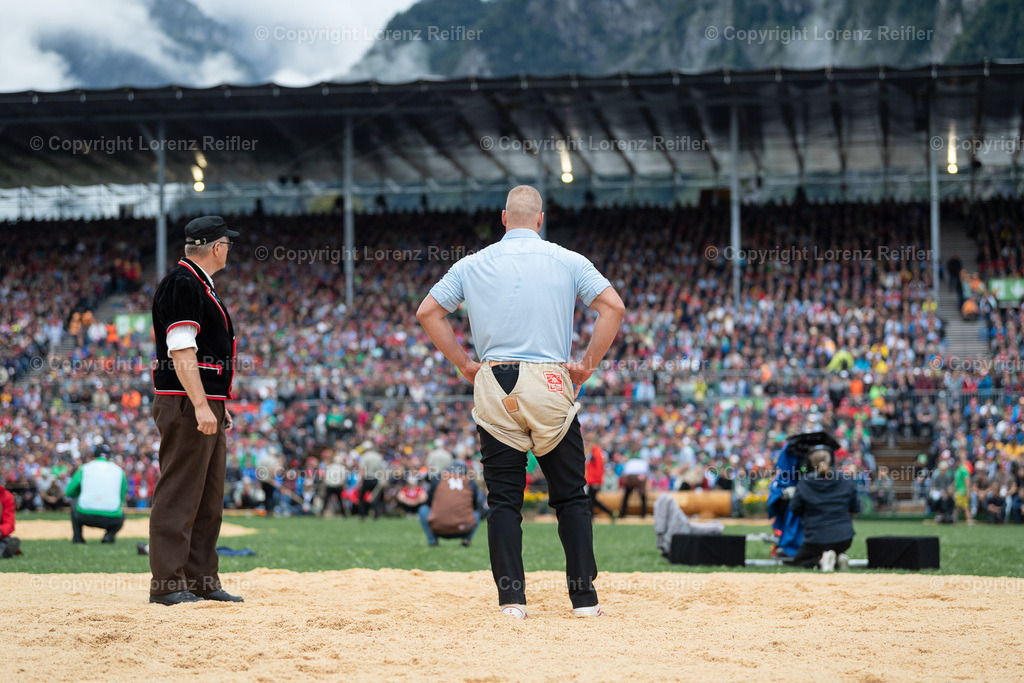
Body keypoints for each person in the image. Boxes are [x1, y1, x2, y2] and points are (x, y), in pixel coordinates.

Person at [417, 185, 625, 619]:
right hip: (550, 378)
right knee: (570, 497)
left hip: (494, 378)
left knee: (504, 501)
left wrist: (463, 364)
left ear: (504, 219)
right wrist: (586, 365)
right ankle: (584, 599)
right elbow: (613, 308)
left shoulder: (472, 264)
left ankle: (512, 600)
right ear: (541, 219)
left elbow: (428, 312)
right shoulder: (568, 260)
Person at [149, 216, 243, 606]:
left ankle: (202, 579)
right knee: (180, 492)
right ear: (216, 247)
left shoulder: (196, 283)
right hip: (187, 401)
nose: (230, 249)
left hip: (203, 401)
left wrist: (216, 404)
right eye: (227, 243)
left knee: (207, 495)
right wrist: (202, 404)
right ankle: (169, 584)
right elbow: (181, 349)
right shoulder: (184, 283)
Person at [788, 449, 860, 572]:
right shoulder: (846, 479)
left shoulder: (805, 481)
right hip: (844, 537)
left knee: (798, 561)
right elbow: (856, 508)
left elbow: (795, 508)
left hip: (816, 538)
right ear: (830, 460)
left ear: (812, 463)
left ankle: (822, 559)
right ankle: (838, 557)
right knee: (834, 546)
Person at [65, 444, 127, 544]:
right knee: (121, 516)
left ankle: (77, 538)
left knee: (75, 501)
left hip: (84, 515)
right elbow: (121, 496)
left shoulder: (84, 468)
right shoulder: (119, 471)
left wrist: (81, 492)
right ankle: (109, 536)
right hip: (112, 518)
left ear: (93, 456)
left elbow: (69, 492)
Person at [419, 462, 481, 547]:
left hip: (438, 527)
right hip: (463, 528)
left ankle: (432, 541)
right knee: (476, 514)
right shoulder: (470, 482)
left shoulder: (438, 478)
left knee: (423, 509)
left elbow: (429, 502)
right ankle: (467, 539)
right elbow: (474, 506)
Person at [357, 441, 385, 520]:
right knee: (375, 498)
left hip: (367, 479)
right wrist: (383, 479)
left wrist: (360, 481)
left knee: (362, 498)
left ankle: (363, 515)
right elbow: (381, 469)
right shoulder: (378, 456)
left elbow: (362, 470)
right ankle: (376, 515)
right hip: (375, 479)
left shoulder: (364, 456)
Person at [585, 445, 614, 519]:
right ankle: (608, 512)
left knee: (592, 499)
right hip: (594, 480)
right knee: (592, 499)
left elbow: (597, 469)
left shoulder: (595, 453)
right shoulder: (597, 453)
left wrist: (596, 481)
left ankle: (608, 512)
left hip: (593, 481)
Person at [619, 454, 650, 519]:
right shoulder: (642, 462)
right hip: (640, 476)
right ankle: (643, 514)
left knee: (626, 496)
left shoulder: (630, 461)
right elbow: (646, 473)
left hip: (631, 477)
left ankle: (622, 514)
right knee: (643, 496)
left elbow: (624, 473)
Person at [0, 484, 20, 559]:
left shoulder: (6, 496)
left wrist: (1, 531)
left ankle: (5, 548)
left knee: (5, 541)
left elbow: (9, 522)